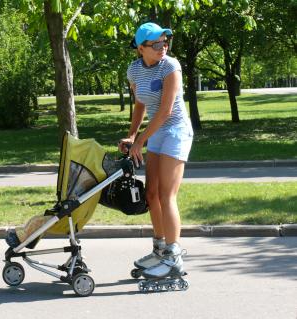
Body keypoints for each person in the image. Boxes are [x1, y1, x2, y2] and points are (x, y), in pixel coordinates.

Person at [119, 22, 193, 280]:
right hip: (156, 131)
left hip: (175, 131)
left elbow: (165, 111)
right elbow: (140, 104)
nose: (163, 47)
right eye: (157, 44)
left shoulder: (171, 66)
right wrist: (132, 135)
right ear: (141, 49)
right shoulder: (134, 70)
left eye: (165, 42)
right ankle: (160, 249)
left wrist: (140, 141)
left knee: (166, 194)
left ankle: (174, 258)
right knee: (151, 194)